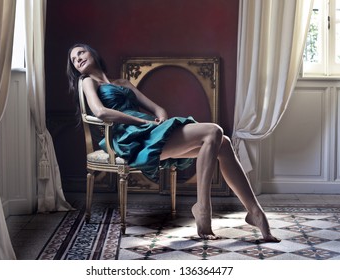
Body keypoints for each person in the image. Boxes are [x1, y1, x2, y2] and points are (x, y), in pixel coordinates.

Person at [67, 43, 280, 242]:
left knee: (222, 143)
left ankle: (255, 212)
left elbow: (157, 108)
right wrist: (140, 121)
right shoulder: (87, 81)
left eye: (81, 53)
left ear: (92, 53)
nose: (78, 59)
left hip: (148, 130)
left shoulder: (122, 83)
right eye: (74, 60)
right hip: (129, 139)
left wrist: (160, 119)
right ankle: (204, 209)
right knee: (215, 131)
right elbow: (100, 112)